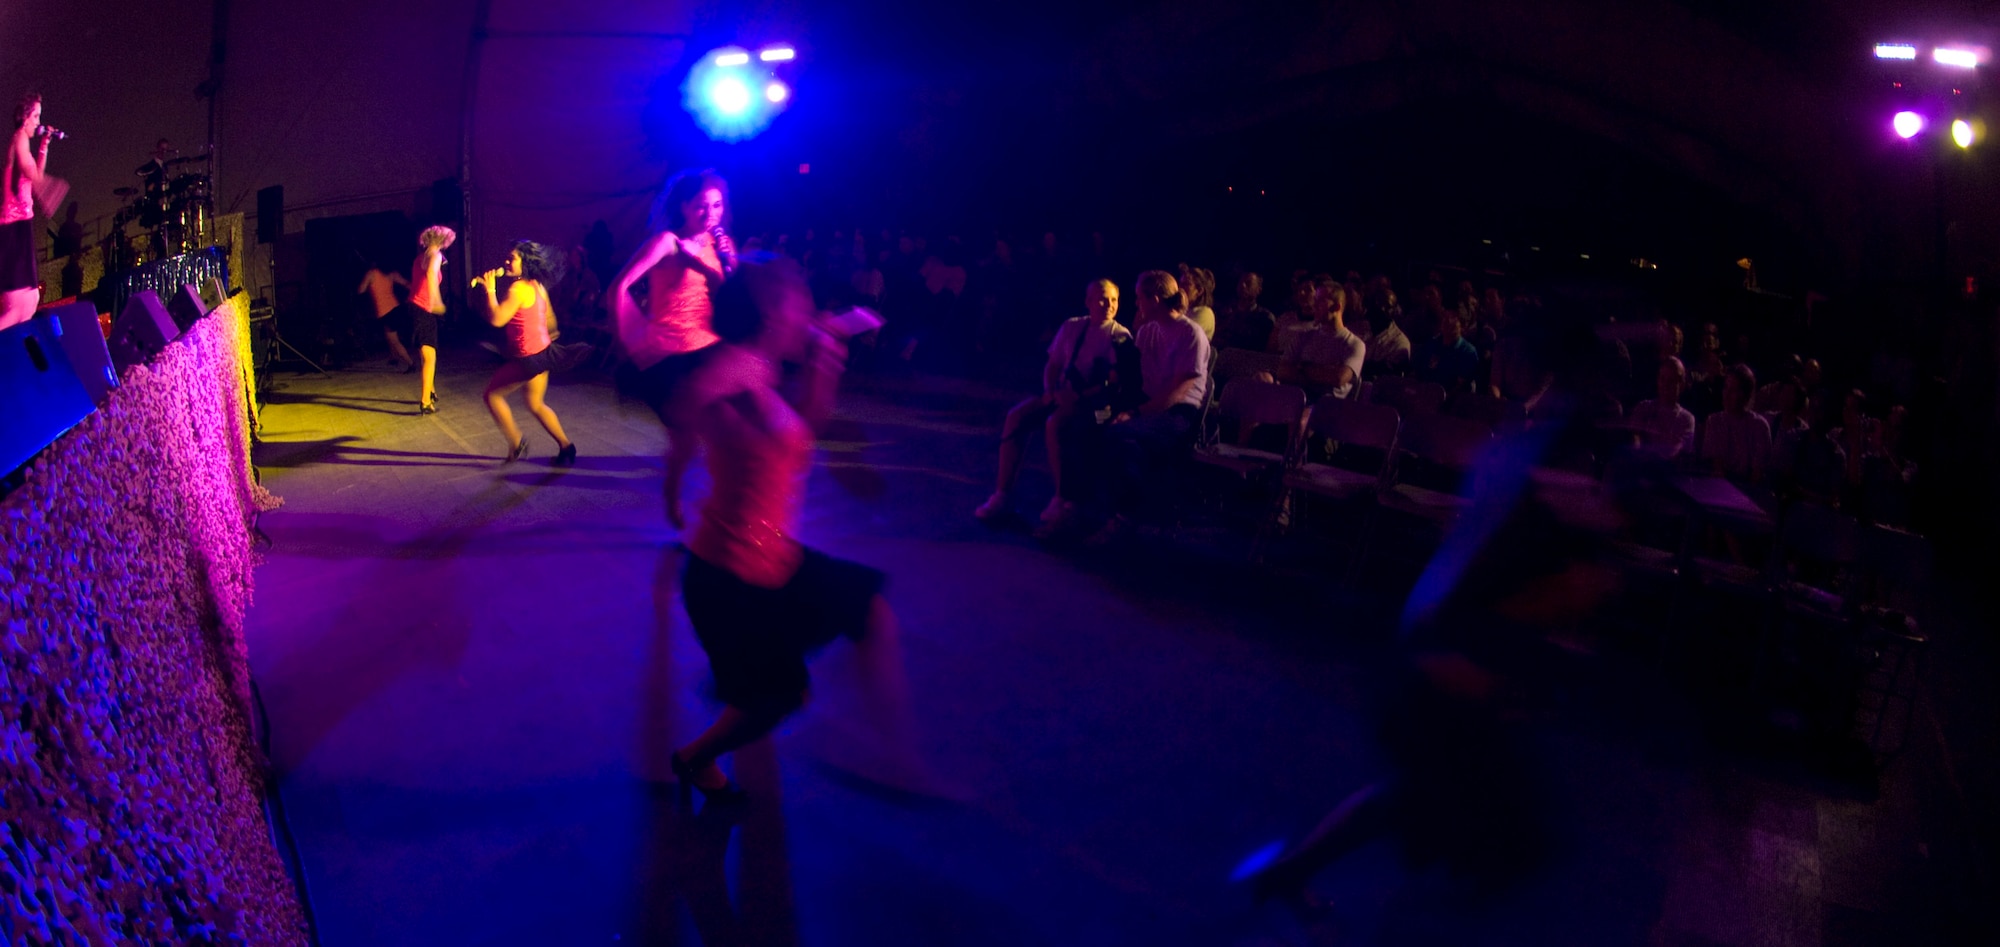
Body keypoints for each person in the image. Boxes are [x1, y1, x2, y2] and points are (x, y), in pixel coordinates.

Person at [669, 255, 920, 804]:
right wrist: (694, 397)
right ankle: (695, 756)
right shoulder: (739, 364)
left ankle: (898, 764)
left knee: (867, 607)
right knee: (781, 699)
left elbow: (801, 433)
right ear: (770, 310)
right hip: (728, 577)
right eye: (799, 302)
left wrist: (826, 366)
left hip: (773, 557)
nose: (809, 312)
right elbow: (696, 392)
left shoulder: (765, 369)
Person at [611, 168, 737, 527]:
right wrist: (629, 340)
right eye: (701, 206)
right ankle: (673, 495)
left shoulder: (720, 246)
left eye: (717, 205)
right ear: (683, 206)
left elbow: (732, 300)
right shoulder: (665, 242)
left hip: (711, 351)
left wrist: (725, 265)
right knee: (686, 444)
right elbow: (618, 288)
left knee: (724, 435)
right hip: (672, 357)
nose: (710, 214)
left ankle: (725, 506)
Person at [975, 279, 1131, 529]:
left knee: (1057, 422)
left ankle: (1063, 498)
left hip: (1103, 410)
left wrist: (1079, 397)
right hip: (1063, 395)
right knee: (1017, 416)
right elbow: (1053, 364)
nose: (1109, 305)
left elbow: (1115, 384)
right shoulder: (1072, 326)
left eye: (1114, 300)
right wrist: (1050, 390)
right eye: (1102, 298)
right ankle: (1002, 494)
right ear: (1088, 301)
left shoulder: (1120, 336)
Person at [1087, 271, 1211, 545]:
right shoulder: (1147, 330)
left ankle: (1124, 517)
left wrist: (1135, 414)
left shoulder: (1190, 334)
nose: (1136, 302)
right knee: (1096, 424)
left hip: (1177, 414)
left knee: (1120, 436)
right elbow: (1134, 378)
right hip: (1148, 407)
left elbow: (1178, 392)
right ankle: (1112, 512)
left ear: (1154, 300)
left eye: (1140, 298)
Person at [475, 241, 578, 465]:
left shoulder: (518, 288)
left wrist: (490, 290)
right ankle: (566, 446)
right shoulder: (537, 285)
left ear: (526, 262)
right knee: (535, 404)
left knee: (492, 395)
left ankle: (516, 442)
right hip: (543, 352)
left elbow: (497, 319)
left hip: (529, 358)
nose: (506, 261)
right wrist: (549, 335)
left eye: (512, 258)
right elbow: (550, 317)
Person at [2, 95, 57, 330]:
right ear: (24, 118)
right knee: (19, 305)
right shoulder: (19, 138)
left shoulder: (23, 141)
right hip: (12, 227)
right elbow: (28, 170)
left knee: (31, 300)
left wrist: (44, 145)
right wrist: (50, 188)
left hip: (21, 225)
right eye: (35, 116)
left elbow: (35, 172)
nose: (38, 122)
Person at [1273, 274, 1365, 400]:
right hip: (1295, 399)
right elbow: (1282, 371)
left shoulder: (1354, 344)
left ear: (1336, 307)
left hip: (1327, 408)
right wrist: (1323, 371)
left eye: (1320, 301)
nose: (1314, 305)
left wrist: (1301, 367)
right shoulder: (1303, 337)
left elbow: (1339, 378)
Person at [408, 226, 454, 412]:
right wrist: (437, 301)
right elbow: (431, 276)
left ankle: (431, 390)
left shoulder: (421, 257)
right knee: (430, 356)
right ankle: (426, 401)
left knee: (425, 353)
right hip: (424, 307)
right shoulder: (435, 256)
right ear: (443, 240)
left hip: (414, 305)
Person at [1700, 363, 1771, 484]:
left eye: (1733, 390)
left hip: (1748, 492)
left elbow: (1757, 474)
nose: (1726, 395)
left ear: (1746, 395)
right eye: (1726, 388)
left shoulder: (1759, 426)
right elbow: (1715, 465)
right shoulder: (1714, 421)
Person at [1626, 357, 1696, 460]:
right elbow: (1634, 439)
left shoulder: (1686, 419)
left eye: (1671, 380)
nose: (1666, 385)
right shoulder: (1643, 408)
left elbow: (1677, 451)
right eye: (1662, 379)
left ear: (1681, 385)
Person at [358, 261, 414, 371]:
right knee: (389, 334)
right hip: (395, 308)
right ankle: (394, 357)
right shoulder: (391, 273)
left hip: (385, 312)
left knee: (394, 340)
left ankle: (410, 363)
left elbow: (361, 290)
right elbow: (406, 284)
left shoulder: (371, 273)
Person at [1412, 310, 1481, 395]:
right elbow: (1418, 371)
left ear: (1462, 327)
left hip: (1452, 401)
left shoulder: (1468, 351)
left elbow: (1460, 386)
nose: (1449, 321)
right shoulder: (1432, 344)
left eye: (1454, 320)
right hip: (1425, 394)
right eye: (1446, 319)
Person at [1214, 271, 1276, 352]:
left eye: (1248, 283)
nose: (1243, 286)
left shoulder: (1265, 318)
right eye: (1240, 282)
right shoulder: (1225, 313)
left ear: (1259, 290)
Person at [1177, 263, 1218, 340]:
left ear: (1199, 291)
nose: (1180, 288)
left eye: (1186, 284)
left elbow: (1181, 336)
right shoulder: (1185, 310)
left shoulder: (1205, 313)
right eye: (1180, 283)